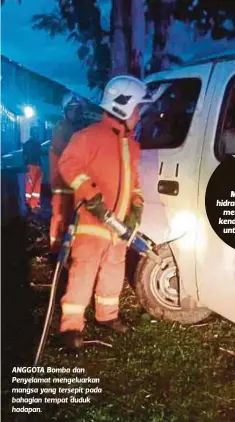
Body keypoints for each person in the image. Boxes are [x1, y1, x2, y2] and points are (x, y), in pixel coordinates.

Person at [58, 75, 153, 349]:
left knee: (113, 271)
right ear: (123, 108)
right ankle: (71, 328)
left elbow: (134, 181)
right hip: (92, 224)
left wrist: (136, 205)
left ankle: (107, 315)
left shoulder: (132, 145)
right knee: (83, 272)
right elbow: (69, 165)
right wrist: (91, 196)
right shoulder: (88, 137)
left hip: (119, 227)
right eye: (137, 109)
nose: (138, 115)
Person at [49, 92, 83, 255]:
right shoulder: (60, 128)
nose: (75, 113)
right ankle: (55, 251)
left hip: (73, 183)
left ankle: (67, 250)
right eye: (72, 109)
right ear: (65, 111)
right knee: (60, 217)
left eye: (78, 110)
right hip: (61, 183)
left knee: (71, 218)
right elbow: (65, 151)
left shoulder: (77, 129)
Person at [23, 126, 42, 212]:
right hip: (31, 167)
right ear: (32, 133)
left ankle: (34, 204)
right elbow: (25, 156)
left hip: (37, 166)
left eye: (36, 132)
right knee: (30, 186)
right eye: (35, 132)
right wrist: (26, 166)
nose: (36, 134)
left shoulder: (37, 144)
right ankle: (29, 204)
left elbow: (39, 155)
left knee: (36, 187)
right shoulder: (28, 144)